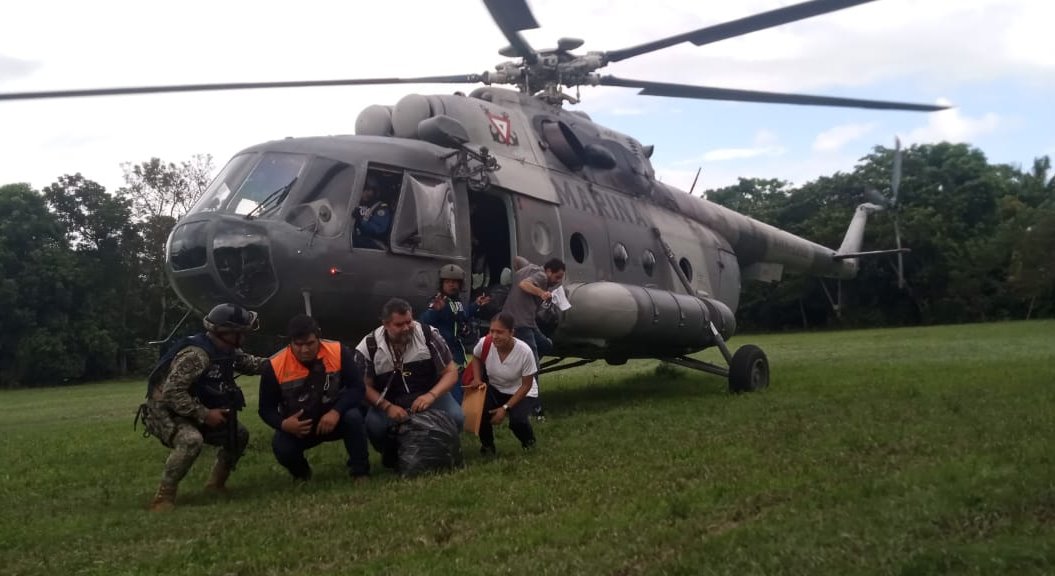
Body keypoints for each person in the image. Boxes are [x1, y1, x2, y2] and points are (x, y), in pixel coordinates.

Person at [138, 303, 269, 512]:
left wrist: (284, 362)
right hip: (166, 412)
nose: (245, 337)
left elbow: (252, 364)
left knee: (239, 434)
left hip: (195, 408)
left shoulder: (227, 350)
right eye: (241, 332)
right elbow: (172, 393)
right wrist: (205, 414)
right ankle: (164, 496)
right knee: (191, 441)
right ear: (227, 333)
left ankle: (216, 484)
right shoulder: (197, 356)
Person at [354, 298, 465, 468]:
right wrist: (387, 407)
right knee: (375, 426)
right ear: (385, 324)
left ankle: (441, 449)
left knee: (456, 417)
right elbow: (364, 387)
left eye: (409, 322)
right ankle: (392, 455)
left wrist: (431, 395)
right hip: (391, 400)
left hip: (429, 394)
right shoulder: (368, 346)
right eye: (399, 325)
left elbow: (451, 372)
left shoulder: (429, 334)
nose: (406, 328)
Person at [258, 315, 370, 481]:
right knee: (282, 447)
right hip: (300, 426)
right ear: (290, 342)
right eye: (298, 345)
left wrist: (336, 412)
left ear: (319, 338)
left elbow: (357, 388)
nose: (305, 350)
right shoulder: (274, 366)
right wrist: (284, 424)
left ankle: (360, 471)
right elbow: (265, 409)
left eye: (310, 343)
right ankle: (302, 474)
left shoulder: (338, 351)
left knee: (353, 417)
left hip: (332, 419)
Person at [501, 256, 566, 418]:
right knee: (533, 366)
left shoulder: (530, 268)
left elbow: (517, 261)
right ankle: (534, 408)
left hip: (527, 323)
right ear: (549, 271)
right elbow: (524, 285)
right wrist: (542, 293)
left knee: (546, 345)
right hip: (520, 324)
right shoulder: (542, 276)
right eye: (557, 277)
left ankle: (520, 365)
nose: (557, 282)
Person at [469, 312, 539, 455]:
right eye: (492, 331)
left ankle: (529, 443)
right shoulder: (485, 343)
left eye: (500, 332)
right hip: (496, 388)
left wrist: (505, 408)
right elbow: (476, 357)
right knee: (481, 413)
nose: (494, 336)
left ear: (512, 332)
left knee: (517, 421)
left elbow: (526, 385)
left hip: (521, 391)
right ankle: (488, 446)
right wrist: (477, 378)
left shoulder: (525, 351)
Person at [420, 264, 491, 404]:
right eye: (447, 282)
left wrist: (476, 305)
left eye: (454, 282)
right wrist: (435, 310)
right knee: (454, 390)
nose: (451, 285)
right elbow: (424, 322)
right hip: (444, 352)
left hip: (457, 351)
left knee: (459, 385)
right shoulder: (438, 300)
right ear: (442, 284)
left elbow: (462, 316)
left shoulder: (457, 302)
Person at [352, 176, 392, 249]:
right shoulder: (355, 204)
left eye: (369, 189)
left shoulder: (381, 208)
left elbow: (379, 229)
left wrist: (361, 219)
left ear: (375, 192)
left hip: (372, 245)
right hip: (354, 242)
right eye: (365, 188)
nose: (367, 192)